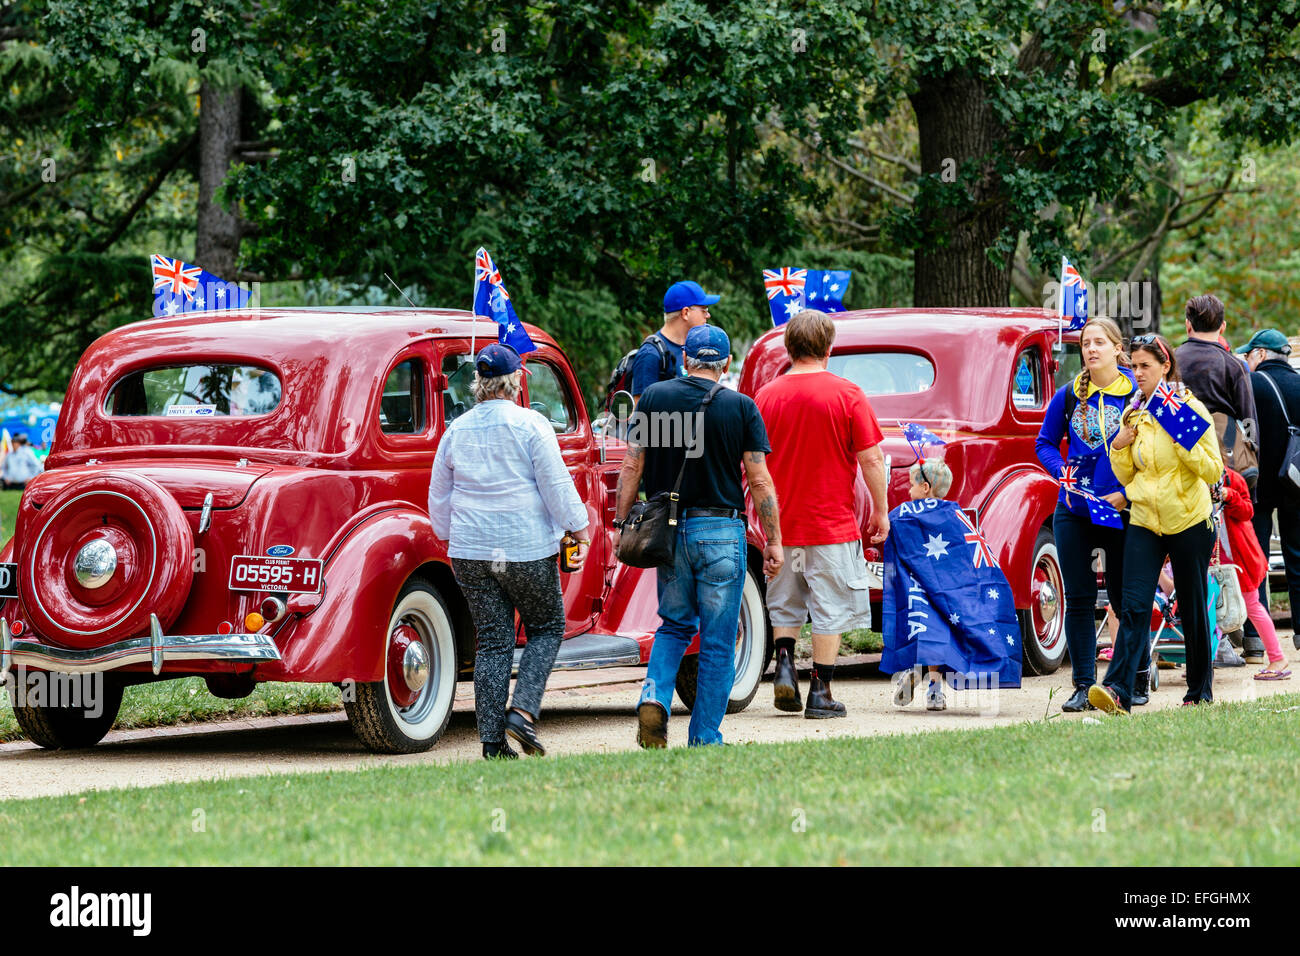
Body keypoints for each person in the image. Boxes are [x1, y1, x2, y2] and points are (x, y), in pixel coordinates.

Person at [614, 324, 782, 748]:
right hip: (722, 531)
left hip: (668, 531)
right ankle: (705, 736)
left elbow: (632, 466)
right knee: (719, 639)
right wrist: (775, 540)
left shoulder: (653, 399)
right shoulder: (741, 407)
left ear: (685, 358)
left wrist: (621, 525)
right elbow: (760, 483)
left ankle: (654, 696)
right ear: (726, 364)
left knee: (673, 626)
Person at [427, 343, 590, 759]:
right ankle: (522, 713)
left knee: (493, 640)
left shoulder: (454, 431)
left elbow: (439, 498)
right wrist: (578, 528)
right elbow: (556, 486)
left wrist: (448, 536)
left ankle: (492, 741)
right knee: (547, 627)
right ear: (517, 381)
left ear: (479, 383)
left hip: (470, 551)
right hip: (525, 548)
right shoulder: (532, 425)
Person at [754, 309, 889, 719]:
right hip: (830, 524)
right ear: (828, 348)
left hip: (781, 526)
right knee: (830, 607)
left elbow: (754, 462)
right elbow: (871, 459)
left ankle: (783, 666)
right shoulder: (847, 394)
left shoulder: (765, 397)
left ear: (789, 348)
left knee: (785, 603)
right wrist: (881, 511)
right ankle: (821, 691)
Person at [1091, 334, 1223, 714]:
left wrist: (1181, 436)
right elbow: (1129, 474)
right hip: (1145, 519)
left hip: (1189, 520)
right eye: (1133, 365)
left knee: (1193, 607)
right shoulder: (1134, 412)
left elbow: (1212, 469)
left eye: (1145, 365)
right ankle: (1118, 690)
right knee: (1132, 605)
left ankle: (1199, 692)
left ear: (1166, 367)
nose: (1138, 373)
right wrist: (1119, 444)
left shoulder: (1189, 407)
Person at [1035, 317, 1139, 711]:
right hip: (1074, 508)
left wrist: (1128, 493)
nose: (1091, 349)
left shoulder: (1136, 394)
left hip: (1120, 508)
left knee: (1123, 596)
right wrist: (1061, 473)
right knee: (1078, 597)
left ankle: (1133, 678)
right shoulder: (1068, 394)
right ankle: (1082, 685)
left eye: (1099, 342)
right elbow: (1043, 443)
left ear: (1117, 347)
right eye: (1085, 343)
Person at [1239, 328, 1300, 651]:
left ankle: (1255, 637)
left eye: (1250, 354)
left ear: (1261, 354)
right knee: (1297, 556)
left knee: (1255, 559)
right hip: (1296, 482)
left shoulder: (1253, 384)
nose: (1248, 360)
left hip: (1259, 486)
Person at [1174, 293, 1259, 476]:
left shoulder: (1170, 361)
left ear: (1188, 324)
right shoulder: (1234, 365)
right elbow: (1248, 417)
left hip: (1180, 453)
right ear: (1223, 327)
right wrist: (1252, 451)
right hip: (1225, 456)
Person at [1219, 466, 1291, 679]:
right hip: (1217, 559)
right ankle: (1206, 660)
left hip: (1241, 558)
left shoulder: (1232, 479)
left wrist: (1228, 495)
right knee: (1210, 608)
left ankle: (1277, 657)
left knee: (1252, 606)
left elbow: (1247, 510)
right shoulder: (1195, 479)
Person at [629, 280, 717, 401]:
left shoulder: (691, 349)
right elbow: (641, 414)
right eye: (704, 309)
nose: (708, 315)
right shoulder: (650, 354)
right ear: (685, 312)